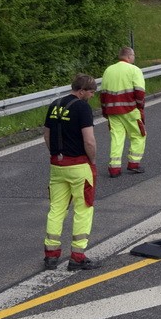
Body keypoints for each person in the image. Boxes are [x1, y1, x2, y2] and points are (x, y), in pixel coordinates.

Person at [43, 74, 102, 270]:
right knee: (83, 209)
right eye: (91, 92)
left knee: (56, 209)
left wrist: (56, 154)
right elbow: (89, 140)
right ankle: (77, 256)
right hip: (79, 166)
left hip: (57, 165)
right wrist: (92, 161)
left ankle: (51, 255)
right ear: (82, 91)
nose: (92, 96)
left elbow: (47, 134)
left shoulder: (55, 104)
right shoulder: (82, 107)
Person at [100, 46, 147, 177]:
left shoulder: (109, 70)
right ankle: (134, 164)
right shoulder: (134, 70)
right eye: (133, 56)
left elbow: (103, 93)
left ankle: (114, 168)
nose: (134, 58)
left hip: (112, 111)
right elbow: (139, 92)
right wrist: (140, 107)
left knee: (117, 138)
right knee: (138, 135)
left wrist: (105, 110)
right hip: (130, 109)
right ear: (129, 56)